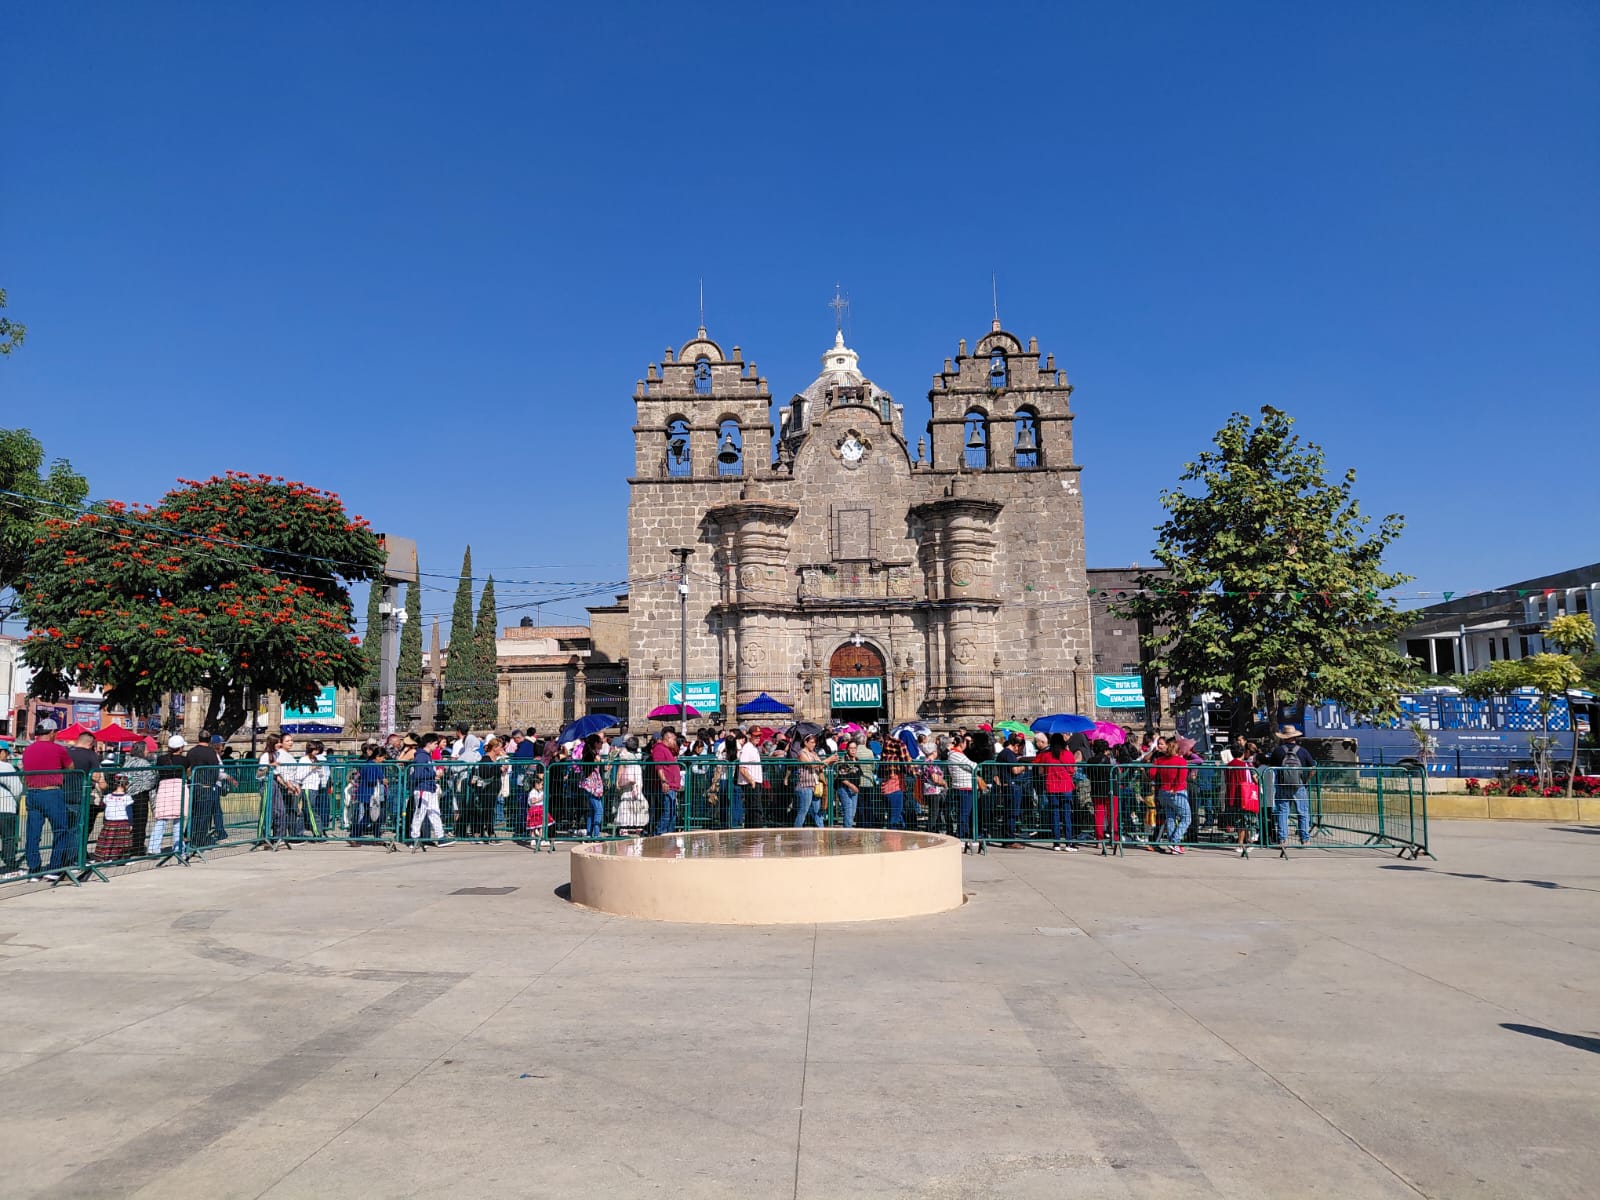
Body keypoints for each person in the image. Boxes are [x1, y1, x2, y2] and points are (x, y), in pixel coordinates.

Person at [21, 717, 76, 879]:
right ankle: (54, 868)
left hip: (33, 792)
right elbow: (71, 767)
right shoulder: (58, 749)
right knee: (60, 830)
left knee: (33, 833)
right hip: (51, 793)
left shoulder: (28, 749)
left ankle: (34, 869)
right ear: (52, 733)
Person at [1268, 726, 1315, 847]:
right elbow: (1312, 768)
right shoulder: (1303, 751)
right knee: (1303, 812)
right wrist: (1305, 780)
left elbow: (1271, 768)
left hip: (1282, 785)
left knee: (1283, 812)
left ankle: (1282, 839)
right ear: (1295, 737)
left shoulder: (1278, 751)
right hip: (1299, 785)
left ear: (1284, 738)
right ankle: (1304, 839)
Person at [1033, 733, 1078, 852]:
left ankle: (1056, 843)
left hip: (1051, 786)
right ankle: (1068, 842)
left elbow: (1040, 770)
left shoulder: (1046, 755)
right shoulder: (1068, 754)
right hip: (1066, 786)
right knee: (1067, 815)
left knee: (1055, 815)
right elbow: (1072, 771)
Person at [148, 736, 190, 860]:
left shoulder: (161, 759)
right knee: (178, 820)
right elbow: (188, 772)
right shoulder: (184, 760)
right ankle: (178, 847)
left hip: (164, 788)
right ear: (181, 748)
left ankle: (153, 848)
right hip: (179, 788)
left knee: (161, 819)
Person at [1151, 736, 1192, 853]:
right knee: (1187, 817)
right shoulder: (1181, 761)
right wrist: (1174, 789)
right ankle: (1175, 840)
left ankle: (1173, 843)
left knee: (1170, 817)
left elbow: (1152, 774)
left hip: (1163, 791)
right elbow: (1181, 778)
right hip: (1176, 792)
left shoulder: (1159, 760)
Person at [946, 734, 979, 850]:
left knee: (964, 814)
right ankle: (962, 837)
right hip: (964, 787)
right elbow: (974, 766)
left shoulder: (955, 755)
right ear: (962, 743)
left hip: (963, 787)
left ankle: (964, 836)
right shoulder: (957, 755)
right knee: (964, 814)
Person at [792, 733, 829, 827]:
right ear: (805, 742)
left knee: (818, 812)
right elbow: (811, 764)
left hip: (815, 785)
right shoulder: (801, 754)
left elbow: (820, 765)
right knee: (803, 811)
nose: (814, 744)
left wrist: (829, 762)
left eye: (814, 743)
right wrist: (828, 760)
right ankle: (796, 832)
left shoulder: (814, 753)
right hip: (805, 786)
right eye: (812, 742)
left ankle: (821, 833)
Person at [649, 729, 682, 836]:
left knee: (671, 813)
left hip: (672, 786)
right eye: (674, 739)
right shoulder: (659, 749)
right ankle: (660, 834)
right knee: (667, 813)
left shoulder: (667, 749)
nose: (675, 742)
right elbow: (659, 766)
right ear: (668, 738)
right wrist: (663, 781)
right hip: (667, 786)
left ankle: (668, 834)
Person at [997, 733, 1027, 847]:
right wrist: (1024, 766)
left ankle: (1007, 838)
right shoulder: (1009, 754)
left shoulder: (1003, 753)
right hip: (1012, 785)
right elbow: (1014, 770)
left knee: (1008, 813)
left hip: (1007, 785)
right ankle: (1009, 839)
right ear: (1016, 745)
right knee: (1012, 813)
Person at [0, 743, 26, 876]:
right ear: (2, 752)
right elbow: (17, 788)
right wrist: (14, 801)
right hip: (5, 806)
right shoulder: (6, 766)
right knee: (8, 837)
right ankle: (10, 865)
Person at [879, 733, 911, 830]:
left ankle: (893, 839)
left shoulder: (885, 757)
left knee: (892, 816)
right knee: (894, 819)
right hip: (895, 790)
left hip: (886, 789)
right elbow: (909, 768)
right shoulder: (896, 759)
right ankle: (894, 842)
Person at [578, 733, 606, 838]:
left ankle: (590, 834)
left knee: (593, 810)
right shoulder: (589, 754)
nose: (601, 744)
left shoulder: (594, 753)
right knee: (599, 809)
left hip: (593, 784)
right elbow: (588, 769)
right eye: (600, 742)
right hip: (591, 785)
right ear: (595, 743)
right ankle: (596, 835)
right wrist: (596, 761)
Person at [736, 730, 763, 829]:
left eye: (759, 736)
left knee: (753, 809)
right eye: (755, 736)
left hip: (754, 782)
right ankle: (755, 832)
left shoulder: (753, 748)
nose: (758, 738)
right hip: (751, 782)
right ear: (749, 736)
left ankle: (752, 832)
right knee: (755, 809)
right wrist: (751, 781)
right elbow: (742, 767)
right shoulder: (747, 748)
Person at [833, 737, 861, 828]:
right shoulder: (843, 759)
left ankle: (847, 830)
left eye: (855, 748)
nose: (853, 750)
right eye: (851, 748)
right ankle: (847, 834)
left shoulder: (857, 760)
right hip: (844, 788)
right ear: (847, 749)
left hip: (855, 789)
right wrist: (851, 785)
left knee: (852, 813)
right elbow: (841, 775)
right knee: (848, 811)